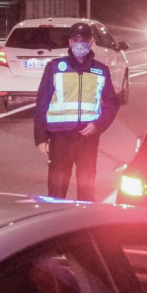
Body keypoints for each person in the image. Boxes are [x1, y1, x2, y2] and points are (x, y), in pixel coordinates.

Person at [33, 22, 119, 201]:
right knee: (57, 189)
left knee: (86, 188)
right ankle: (55, 224)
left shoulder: (100, 70)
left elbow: (112, 102)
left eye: (84, 40)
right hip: (60, 137)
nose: (79, 44)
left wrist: (99, 124)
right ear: (70, 42)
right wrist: (41, 137)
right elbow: (42, 102)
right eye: (75, 40)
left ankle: (85, 223)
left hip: (87, 138)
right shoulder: (55, 67)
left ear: (91, 42)